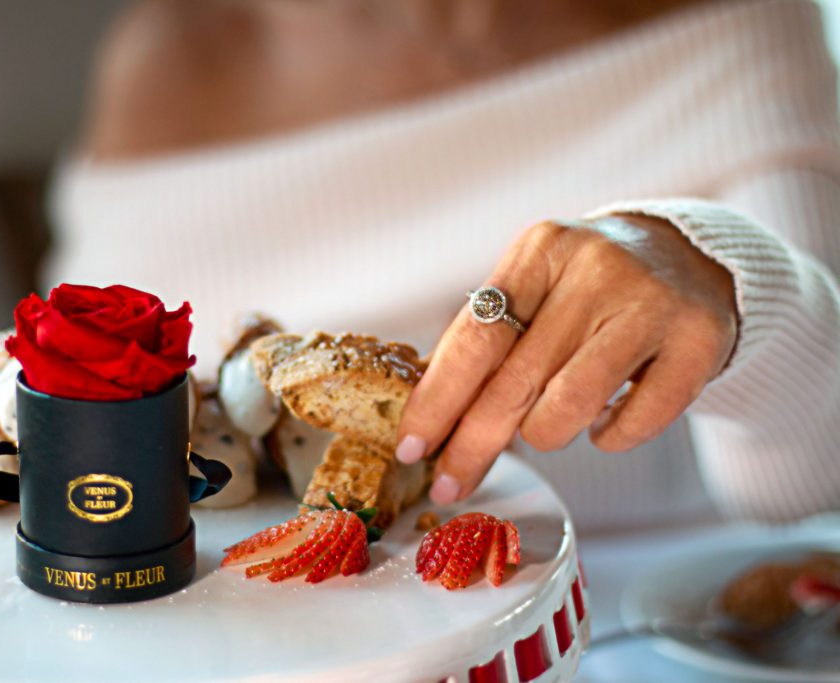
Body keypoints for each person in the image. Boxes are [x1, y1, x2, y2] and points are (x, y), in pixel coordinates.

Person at [46, 0, 840, 530]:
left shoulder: (731, 20)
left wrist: (727, 278)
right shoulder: (171, 54)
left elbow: (808, 475)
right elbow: (81, 450)